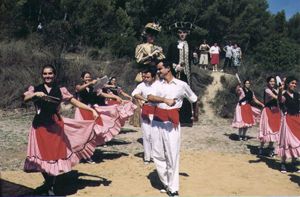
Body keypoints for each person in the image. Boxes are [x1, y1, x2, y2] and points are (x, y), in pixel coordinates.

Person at [23, 65, 99, 195]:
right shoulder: (35, 88)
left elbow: (75, 102)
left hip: (55, 126)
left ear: (54, 75)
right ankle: (48, 184)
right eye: (45, 74)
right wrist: (35, 94)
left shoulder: (60, 90)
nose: (48, 76)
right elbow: (25, 99)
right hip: (39, 126)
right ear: (42, 75)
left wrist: (91, 109)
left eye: (50, 73)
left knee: (53, 156)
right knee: (42, 157)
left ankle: (50, 186)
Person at [147, 60, 198, 197]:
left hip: (172, 122)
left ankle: (173, 188)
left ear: (168, 68)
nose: (158, 71)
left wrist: (194, 115)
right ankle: (167, 183)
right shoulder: (157, 84)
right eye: (158, 69)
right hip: (157, 121)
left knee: (172, 154)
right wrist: (164, 100)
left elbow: (193, 99)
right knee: (157, 154)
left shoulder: (182, 85)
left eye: (160, 69)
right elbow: (150, 97)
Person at [75, 71, 135, 163]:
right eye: (86, 77)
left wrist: (115, 97)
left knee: (93, 133)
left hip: (91, 110)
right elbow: (79, 89)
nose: (88, 79)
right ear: (82, 78)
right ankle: (83, 154)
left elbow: (101, 94)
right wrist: (91, 83)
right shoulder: (79, 86)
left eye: (89, 77)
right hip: (82, 111)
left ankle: (88, 155)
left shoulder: (92, 87)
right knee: (84, 133)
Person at [167, 21, 199, 126]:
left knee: (185, 94)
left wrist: (195, 57)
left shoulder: (190, 45)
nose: (182, 35)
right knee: (175, 94)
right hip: (176, 74)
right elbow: (168, 60)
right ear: (177, 33)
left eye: (184, 33)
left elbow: (194, 61)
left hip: (187, 74)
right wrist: (175, 66)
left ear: (187, 34)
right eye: (180, 32)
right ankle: (174, 117)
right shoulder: (172, 45)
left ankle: (186, 119)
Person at [131, 68, 159, 164]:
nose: (146, 79)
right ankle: (147, 157)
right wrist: (143, 99)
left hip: (157, 111)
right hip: (146, 111)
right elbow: (134, 93)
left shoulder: (159, 85)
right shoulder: (142, 85)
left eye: (148, 77)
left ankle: (154, 156)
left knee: (155, 135)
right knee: (146, 135)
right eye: (145, 77)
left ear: (153, 77)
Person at [277, 76, 300, 173]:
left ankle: (294, 163)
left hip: (297, 120)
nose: (294, 85)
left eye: (295, 83)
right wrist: (279, 91)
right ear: (287, 84)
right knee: (286, 142)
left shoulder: (297, 95)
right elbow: (279, 99)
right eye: (292, 83)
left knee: (297, 142)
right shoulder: (284, 94)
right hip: (287, 120)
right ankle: (283, 163)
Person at [258, 76, 281, 157]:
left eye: (273, 81)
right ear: (267, 82)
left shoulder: (274, 90)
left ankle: (270, 149)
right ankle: (261, 148)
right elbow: (277, 97)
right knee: (266, 130)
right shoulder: (267, 90)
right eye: (271, 81)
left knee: (274, 131)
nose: (272, 83)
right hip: (267, 111)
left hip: (275, 112)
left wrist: (280, 89)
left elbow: (280, 95)